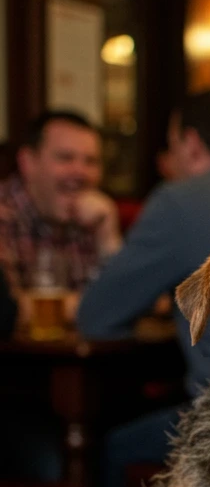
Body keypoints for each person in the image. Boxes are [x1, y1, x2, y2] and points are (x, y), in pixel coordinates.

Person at [77, 90, 210, 487]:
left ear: (192, 144)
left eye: (172, 144)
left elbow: (96, 318)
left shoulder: (179, 200)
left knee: (115, 448)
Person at [0, 111, 121, 326]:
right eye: (65, 158)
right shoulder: (4, 214)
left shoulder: (95, 216)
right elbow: (8, 311)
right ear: (28, 162)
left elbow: (142, 300)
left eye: (91, 161)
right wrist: (100, 305)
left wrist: (108, 235)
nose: (80, 172)